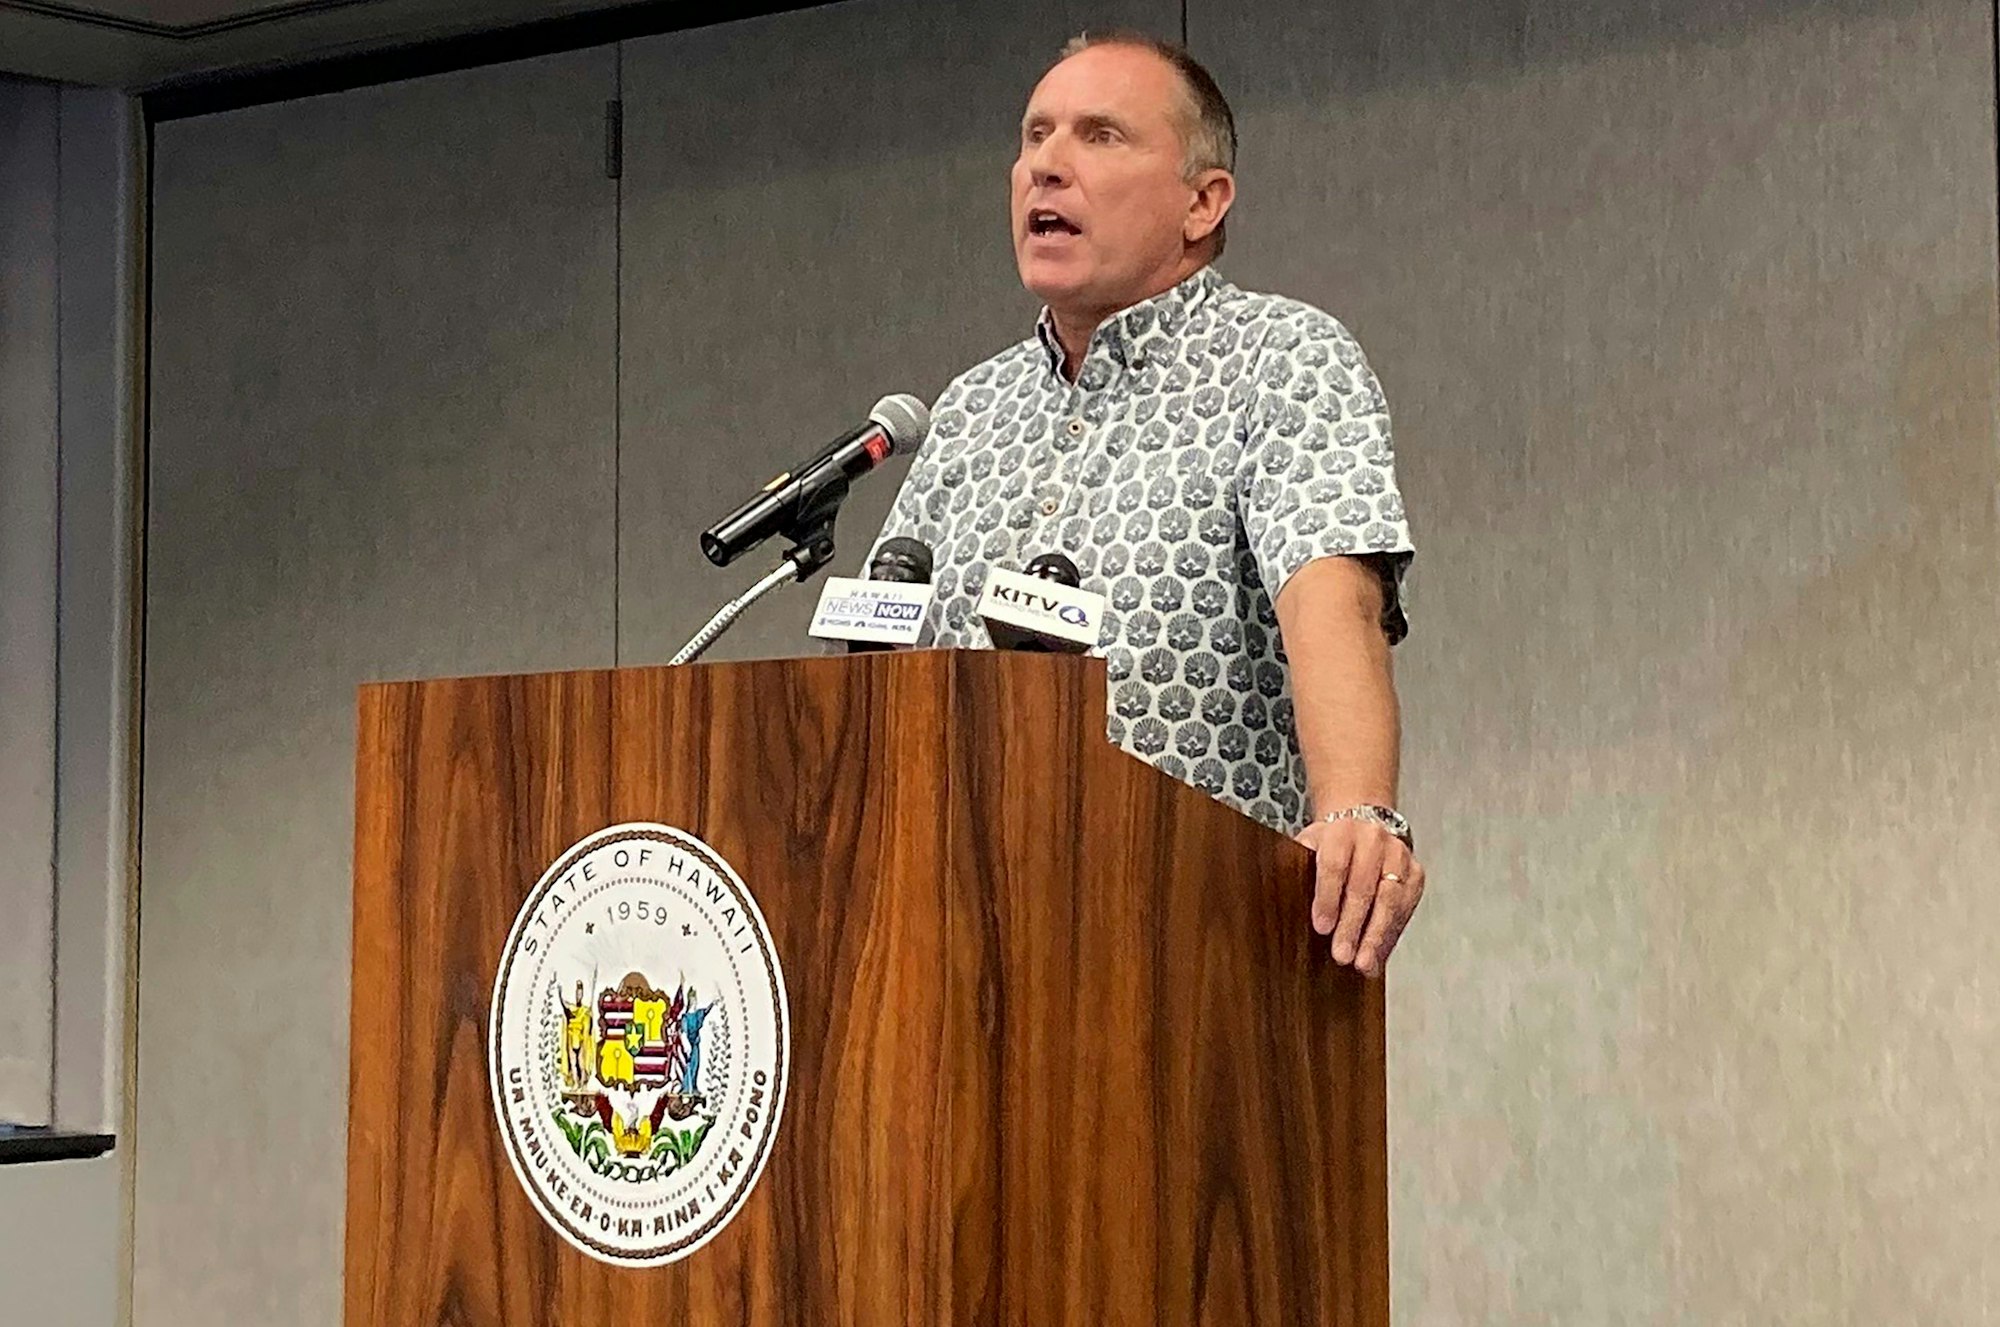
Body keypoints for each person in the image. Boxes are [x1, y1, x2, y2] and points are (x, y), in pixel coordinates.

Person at [869, 32, 1426, 975]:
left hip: (1180, 964)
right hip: (951, 952)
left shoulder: (1281, 361)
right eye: (1034, 135)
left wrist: (1357, 814)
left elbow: (1334, 604)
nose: (1047, 165)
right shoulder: (970, 410)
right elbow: (886, 679)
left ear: (1203, 202)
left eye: (1100, 137)